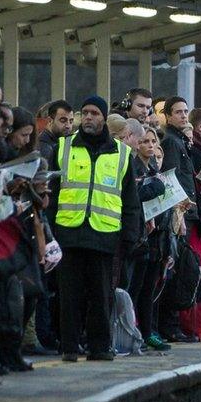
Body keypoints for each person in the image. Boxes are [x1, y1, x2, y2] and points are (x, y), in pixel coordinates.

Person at [48, 95, 140, 362]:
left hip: (103, 235)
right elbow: (52, 193)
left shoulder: (121, 154)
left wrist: (130, 237)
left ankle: (100, 346)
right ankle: (69, 346)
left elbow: (130, 200)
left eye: (94, 113)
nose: (88, 117)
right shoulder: (63, 148)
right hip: (69, 233)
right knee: (69, 296)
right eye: (84, 112)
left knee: (101, 296)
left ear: (103, 118)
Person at [126, 126, 170, 352]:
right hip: (141, 236)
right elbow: (136, 196)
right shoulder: (133, 166)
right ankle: (133, 330)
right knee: (137, 286)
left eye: (153, 141)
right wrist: (157, 187)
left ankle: (147, 330)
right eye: (145, 141)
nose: (150, 145)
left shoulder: (153, 166)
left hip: (156, 235)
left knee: (149, 287)